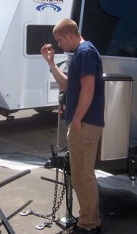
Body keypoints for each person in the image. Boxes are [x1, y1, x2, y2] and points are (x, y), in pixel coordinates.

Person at [41, 18, 104, 234]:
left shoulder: (85, 52)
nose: (59, 45)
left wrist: (77, 119)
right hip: (83, 123)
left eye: (60, 40)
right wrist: (50, 63)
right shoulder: (80, 53)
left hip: (84, 124)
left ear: (70, 35)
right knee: (80, 175)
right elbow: (68, 85)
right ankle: (89, 219)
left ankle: (89, 225)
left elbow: (88, 88)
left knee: (83, 176)